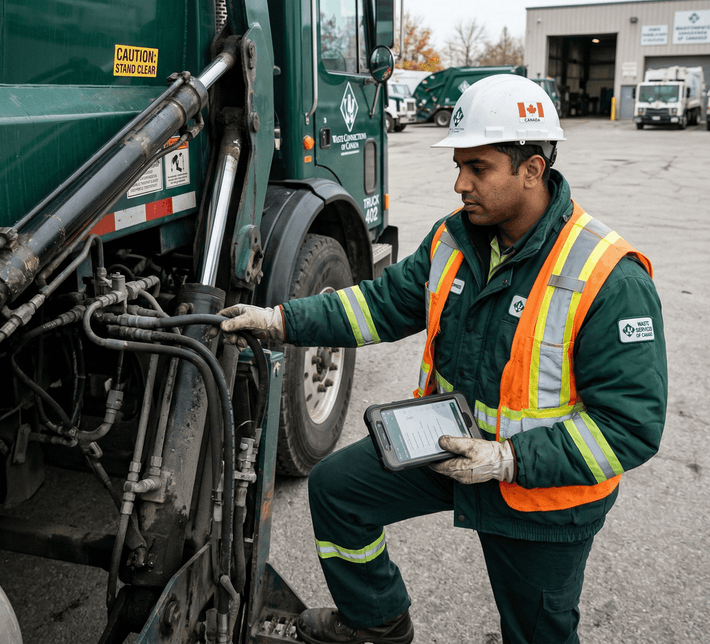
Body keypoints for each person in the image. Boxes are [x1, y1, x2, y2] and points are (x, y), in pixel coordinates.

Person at [219, 74, 668, 644]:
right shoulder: (454, 240)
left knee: (538, 633)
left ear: (532, 169)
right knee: (337, 491)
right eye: (458, 166)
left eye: (478, 168)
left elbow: (629, 427)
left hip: (542, 495)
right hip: (451, 448)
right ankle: (377, 619)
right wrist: (281, 321)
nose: (460, 184)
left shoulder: (609, 276)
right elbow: (377, 306)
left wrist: (506, 459)